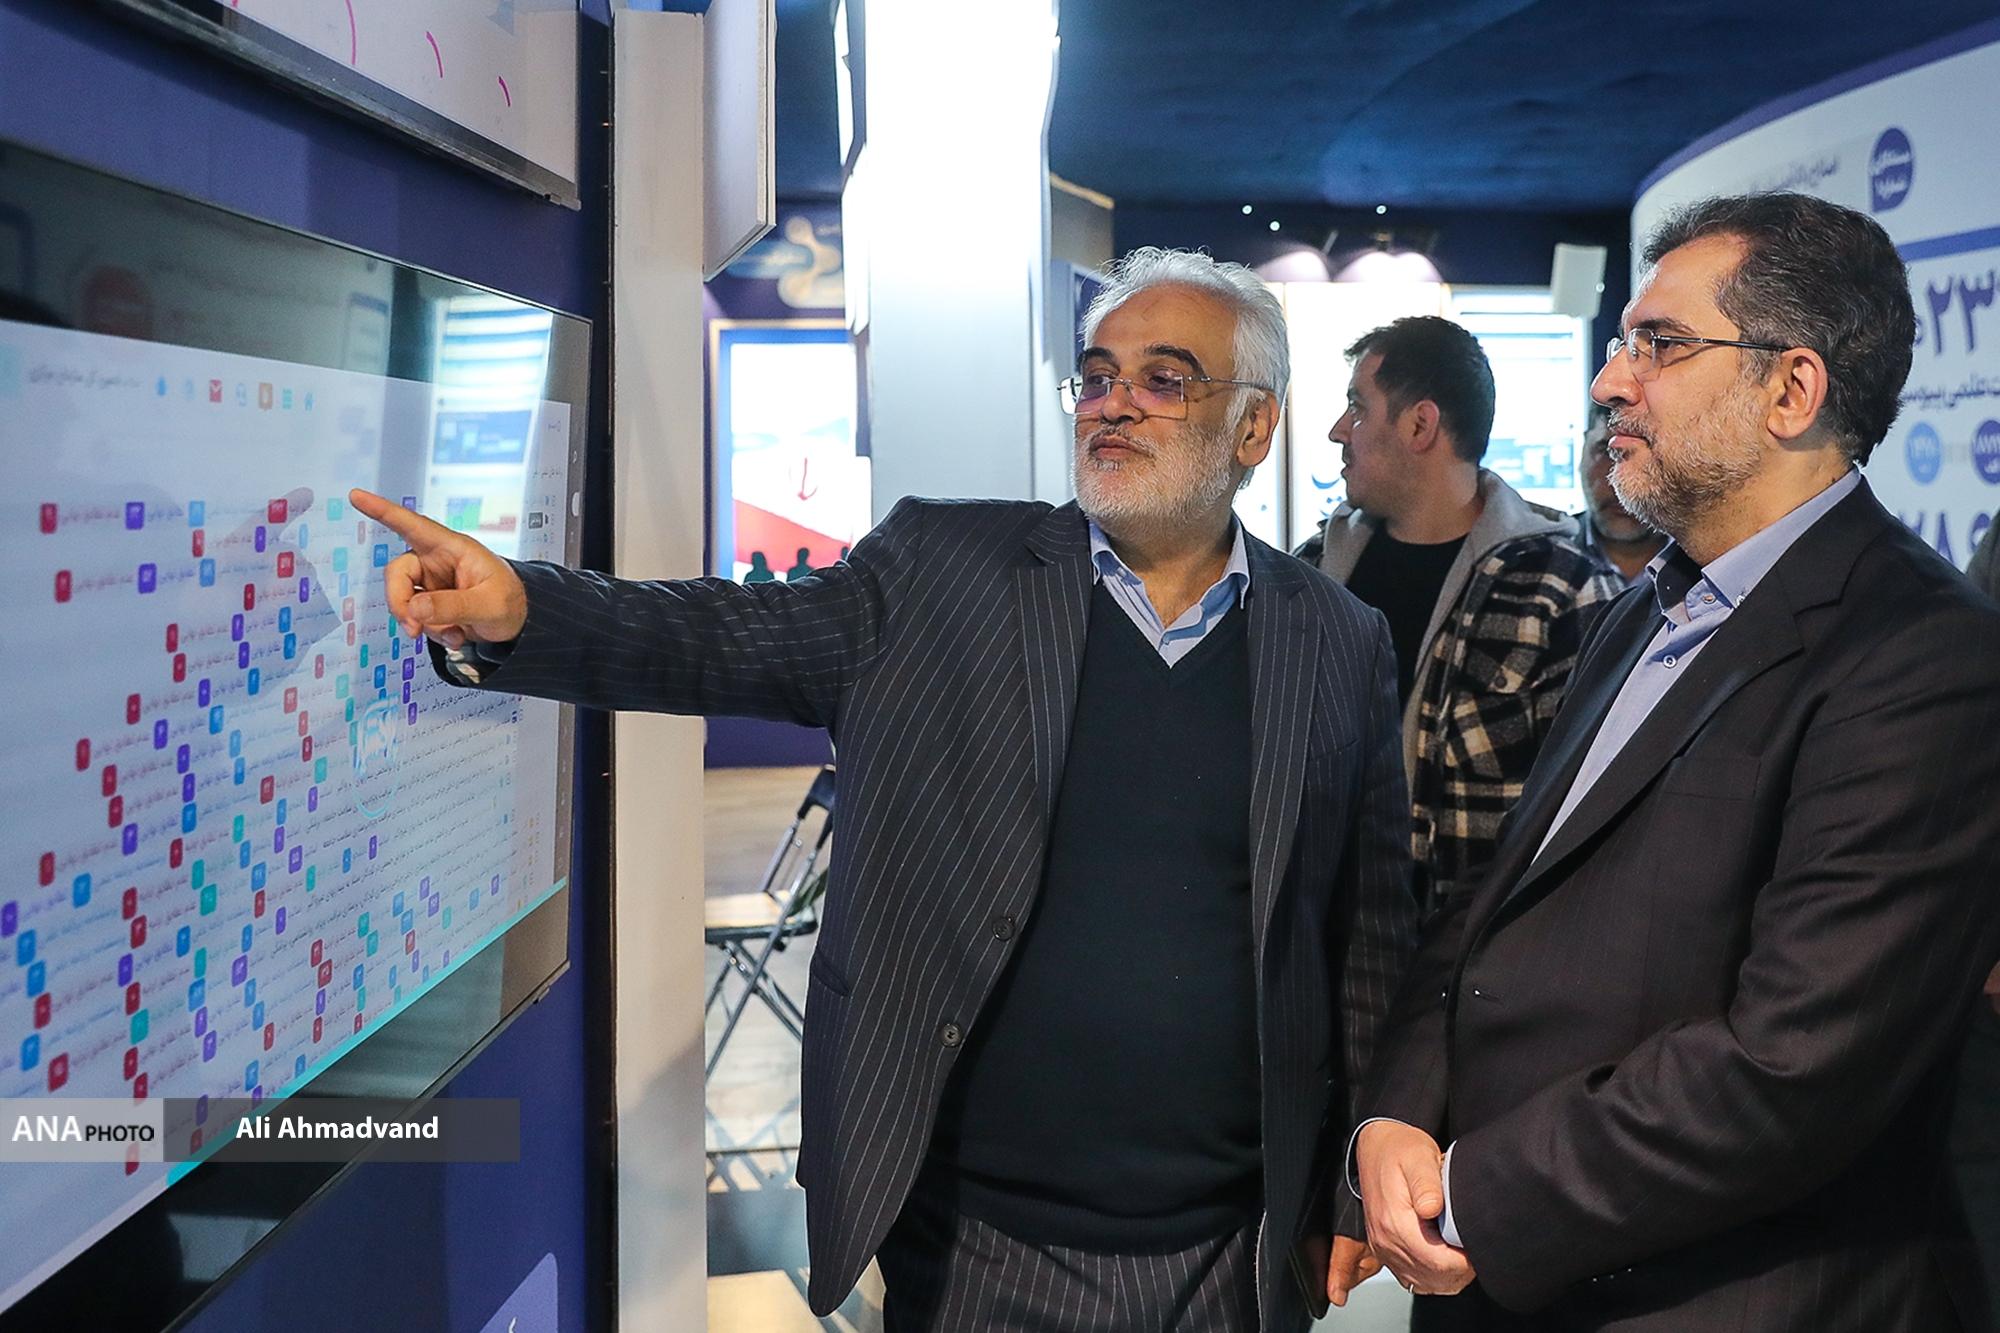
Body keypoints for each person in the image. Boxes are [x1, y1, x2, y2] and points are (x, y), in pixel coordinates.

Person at [353, 246, 1417, 1333]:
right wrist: (525, 611)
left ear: (1253, 427)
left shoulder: (1337, 642)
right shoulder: (942, 571)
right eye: (1097, 375)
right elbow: (723, 636)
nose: (1114, 403)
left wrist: (1347, 1175)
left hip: (1230, 1254)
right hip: (976, 1249)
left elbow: (1370, 938)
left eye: (1162, 378)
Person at [1350, 191, 2000, 1332]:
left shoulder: (1922, 655)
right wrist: (1395, 1114)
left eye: (1659, 344)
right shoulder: (1638, 614)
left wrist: (1472, 1192)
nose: (1612, 381)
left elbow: (1793, 1065)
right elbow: (1496, 902)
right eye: (1621, 343)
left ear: (1791, 391)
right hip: (1515, 1276)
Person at [1297, 315, 1620, 919]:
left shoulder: (1562, 590)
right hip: (1317, 938)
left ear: (1420, 425)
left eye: (1357, 407)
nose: (1339, 430)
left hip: (1469, 946)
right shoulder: (1313, 571)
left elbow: (1588, 812)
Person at [1573, 405, 1665, 583]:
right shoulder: (1540, 561)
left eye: (1645, 453)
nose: (1619, 482)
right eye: (1606, 452)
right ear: (1583, 451)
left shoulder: (1708, 564)